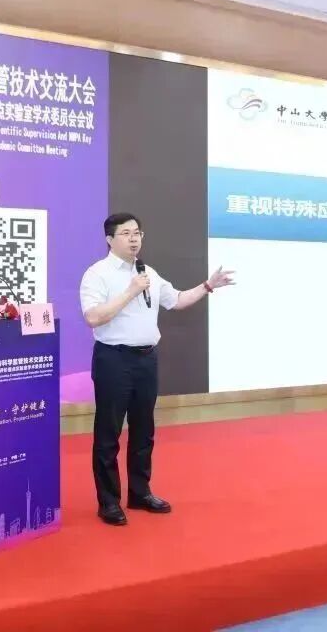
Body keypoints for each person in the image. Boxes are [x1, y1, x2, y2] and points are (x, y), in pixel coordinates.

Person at [79, 212, 234, 526]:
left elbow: (176, 300)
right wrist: (130, 291)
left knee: (143, 431)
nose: (134, 239)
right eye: (126, 233)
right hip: (113, 360)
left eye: (137, 232)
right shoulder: (97, 274)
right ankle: (109, 502)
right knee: (108, 433)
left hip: (146, 360)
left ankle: (140, 493)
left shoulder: (147, 271)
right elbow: (94, 317)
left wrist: (207, 286)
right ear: (109, 239)